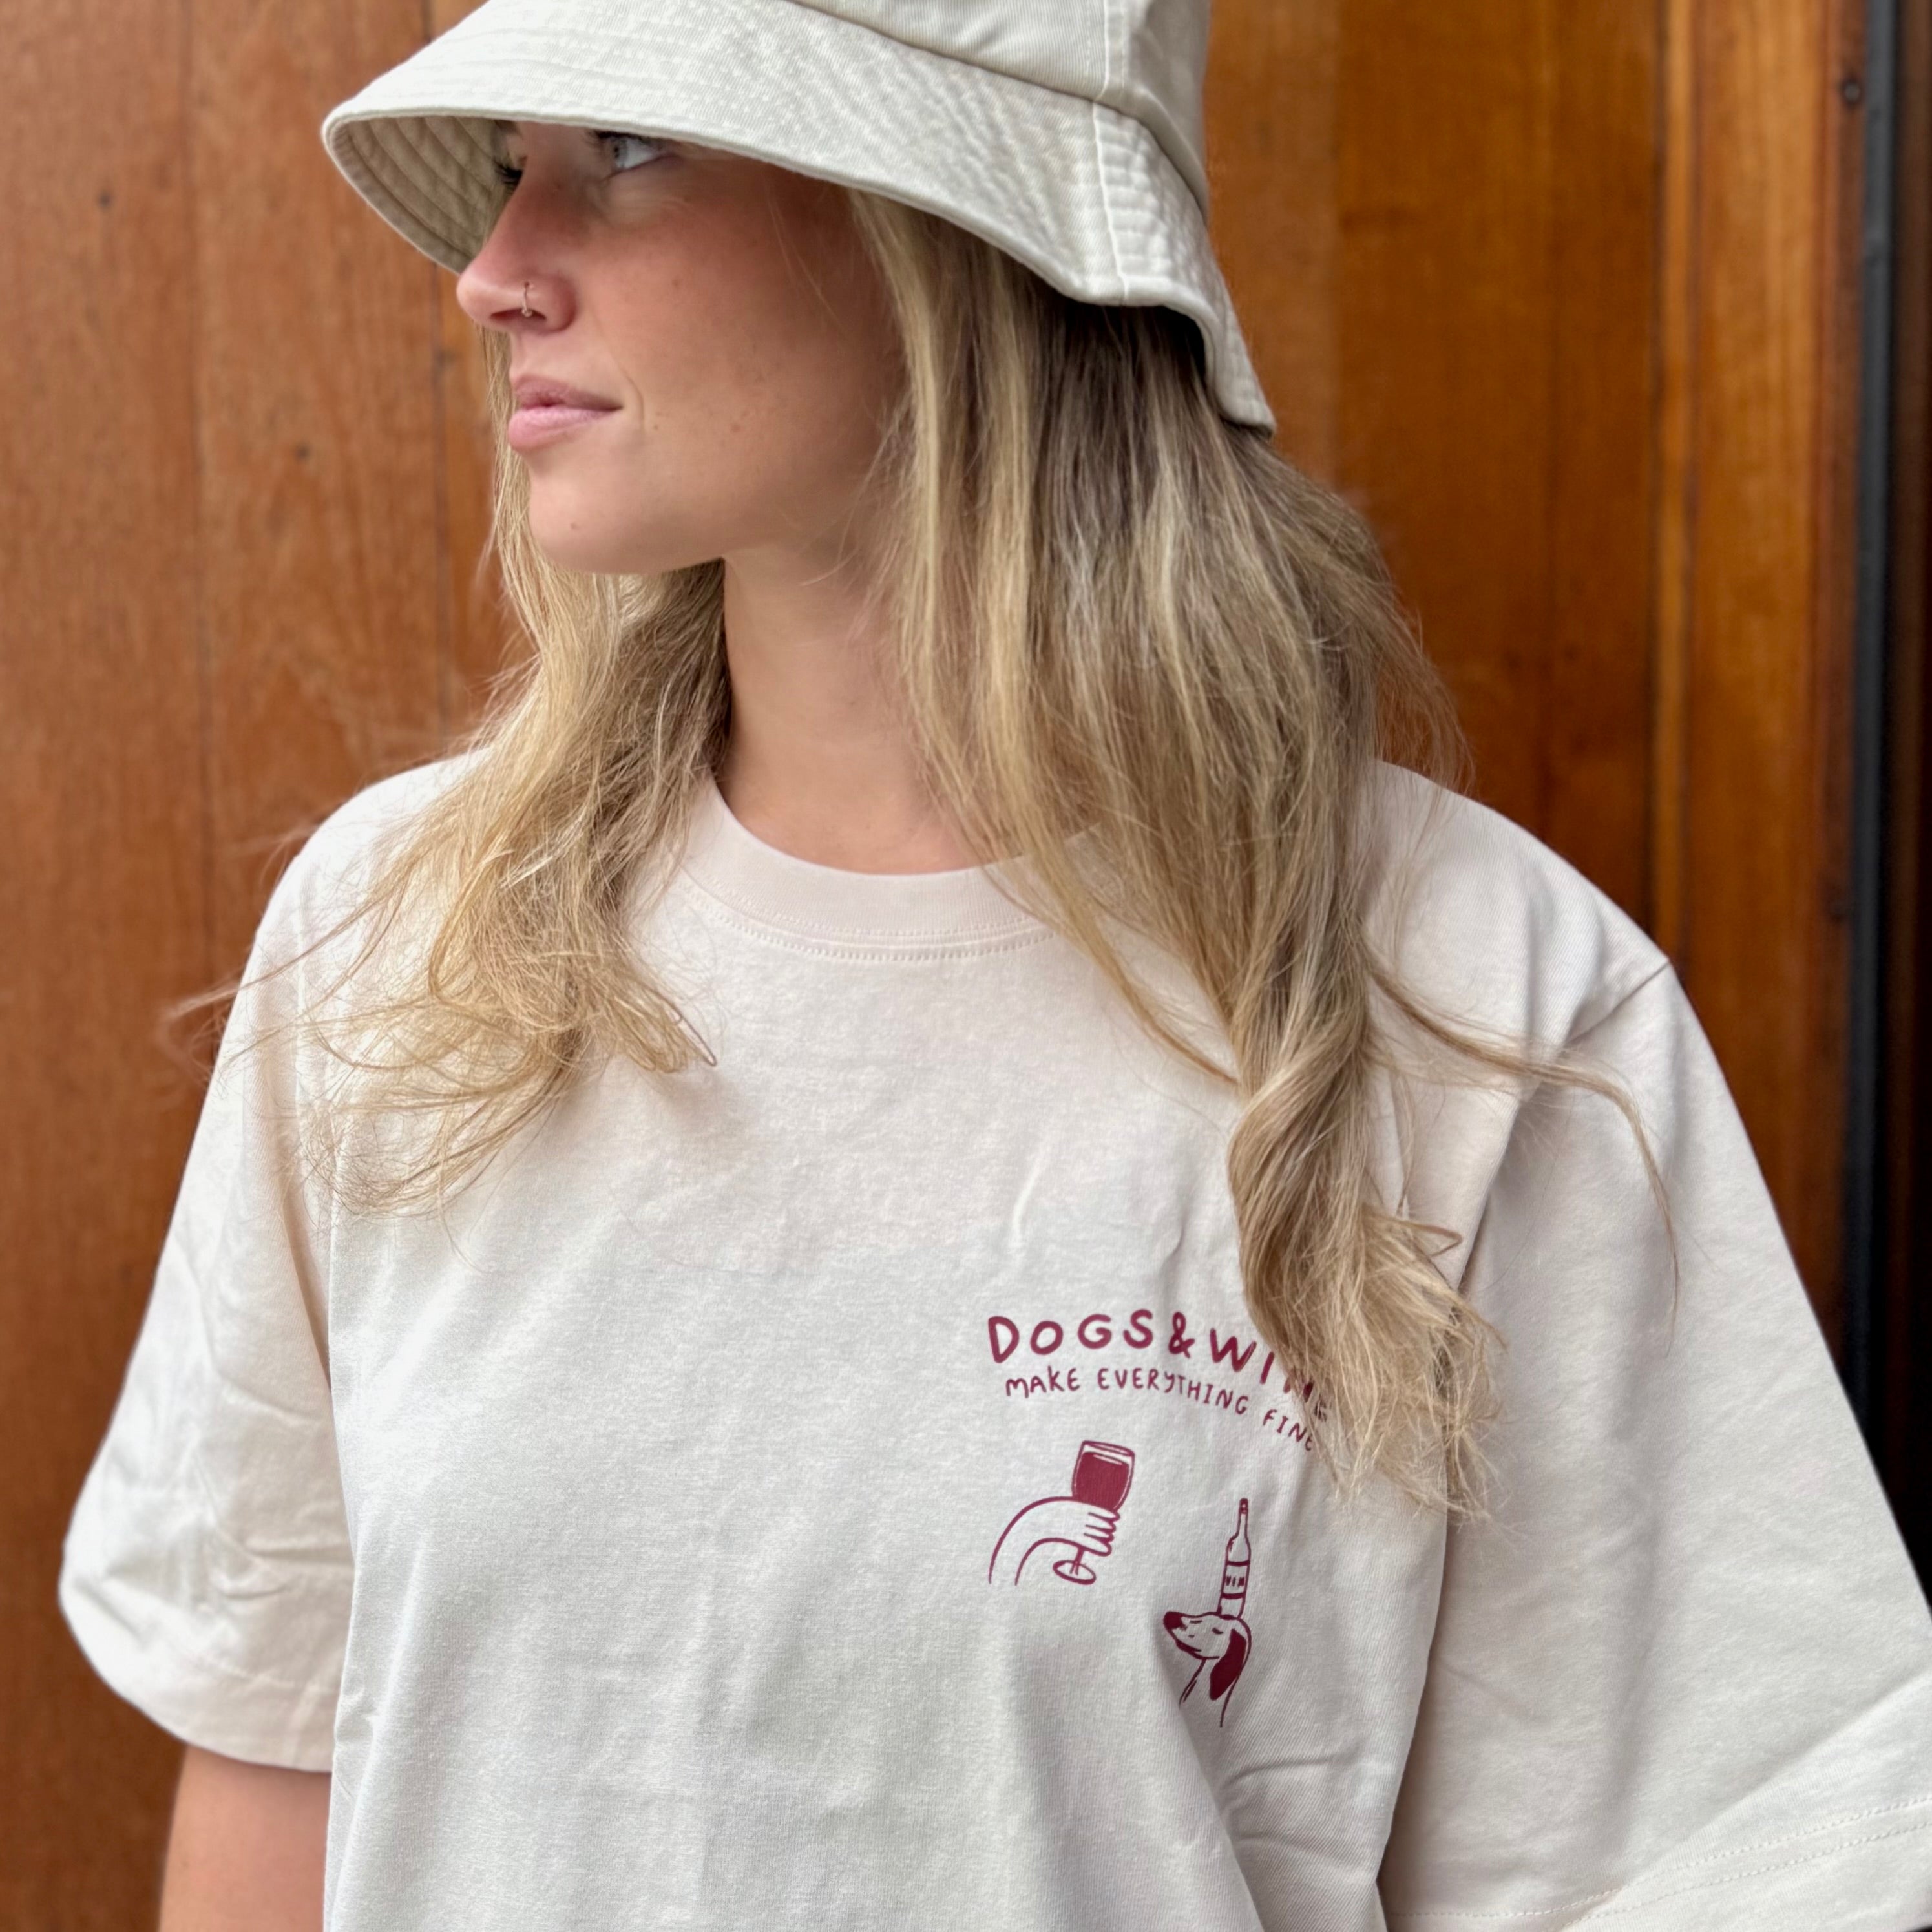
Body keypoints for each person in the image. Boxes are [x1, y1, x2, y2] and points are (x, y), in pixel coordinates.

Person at [58, 2, 1932, 1927]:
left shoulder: (1470, 1007)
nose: (493, 273)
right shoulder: (404, 948)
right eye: (516, 161)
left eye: (626, 152)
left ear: (948, 234)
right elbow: (280, 1756)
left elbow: (1727, 1858)